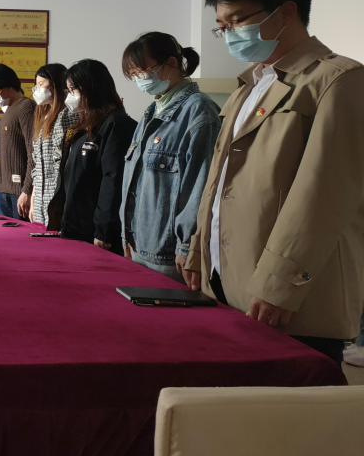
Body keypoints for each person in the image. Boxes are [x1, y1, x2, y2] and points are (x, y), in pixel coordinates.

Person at [182, 0, 364, 366]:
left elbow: (325, 195)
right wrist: (197, 252)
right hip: (227, 280)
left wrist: (280, 283)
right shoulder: (248, 86)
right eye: (222, 26)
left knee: (282, 405)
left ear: (286, 11)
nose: (229, 34)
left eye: (237, 20)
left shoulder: (338, 80)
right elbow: (218, 180)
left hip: (288, 299)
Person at [120, 33, 221, 282]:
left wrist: (187, 246)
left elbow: (200, 187)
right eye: (134, 74)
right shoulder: (152, 111)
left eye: (144, 71)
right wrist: (126, 236)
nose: (140, 79)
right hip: (140, 244)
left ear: (172, 63)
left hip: (170, 254)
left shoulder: (199, 111)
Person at [59, 59, 136, 254]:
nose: (69, 96)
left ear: (91, 88)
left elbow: (114, 180)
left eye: (73, 90)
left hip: (98, 231)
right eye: (68, 90)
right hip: (77, 224)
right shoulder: (85, 125)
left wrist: (104, 229)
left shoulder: (117, 124)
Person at [25, 63, 80, 231]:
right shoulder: (43, 116)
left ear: (55, 84)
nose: (37, 89)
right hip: (40, 196)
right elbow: (37, 163)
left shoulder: (69, 113)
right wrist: (34, 198)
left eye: (41, 84)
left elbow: (66, 160)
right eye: (36, 85)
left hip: (58, 195)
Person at [0, 63, 35, 220]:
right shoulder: (9, 110)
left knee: (21, 234)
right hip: (4, 190)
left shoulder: (26, 107)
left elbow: (33, 152)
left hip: (19, 192)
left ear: (8, 87)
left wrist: (27, 190)